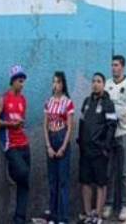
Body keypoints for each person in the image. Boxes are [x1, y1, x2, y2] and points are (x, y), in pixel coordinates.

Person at [0, 65, 31, 224]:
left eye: (23, 82)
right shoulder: (4, 98)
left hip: (24, 143)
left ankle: (19, 218)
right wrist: (9, 124)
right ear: (13, 81)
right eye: (20, 81)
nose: (22, 84)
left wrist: (20, 124)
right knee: (21, 173)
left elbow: (21, 121)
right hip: (11, 145)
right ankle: (11, 173)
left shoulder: (23, 100)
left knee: (25, 181)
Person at [78, 71, 116, 224]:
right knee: (85, 182)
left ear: (104, 84)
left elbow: (112, 126)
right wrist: (80, 142)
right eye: (93, 81)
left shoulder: (108, 103)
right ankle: (88, 214)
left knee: (101, 183)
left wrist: (105, 146)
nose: (95, 84)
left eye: (99, 81)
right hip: (85, 150)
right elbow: (81, 123)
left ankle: (98, 216)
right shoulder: (87, 102)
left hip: (100, 150)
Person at [104, 55, 126, 221]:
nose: (113, 68)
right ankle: (108, 203)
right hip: (109, 134)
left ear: (122, 67)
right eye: (112, 65)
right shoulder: (107, 84)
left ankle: (125, 205)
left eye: (116, 65)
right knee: (109, 170)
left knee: (123, 171)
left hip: (123, 132)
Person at [43, 71, 74, 224]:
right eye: (54, 81)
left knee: (63, 181)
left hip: (62, 139)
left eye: (59, 82)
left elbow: (69, 127)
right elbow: (45, 125)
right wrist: (48, 145)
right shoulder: (48, 102)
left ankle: (63, 217)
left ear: (63, 84)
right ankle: (53, 216)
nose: (56, 85)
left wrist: (63, 147)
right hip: (51, 139)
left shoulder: (67, 102)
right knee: (52, 181)